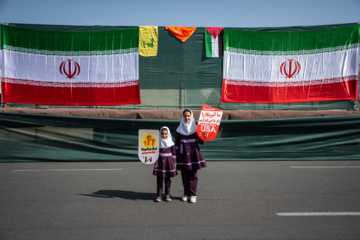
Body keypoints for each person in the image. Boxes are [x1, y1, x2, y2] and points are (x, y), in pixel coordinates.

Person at [175, 109, 206, 203]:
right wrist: (175, 157)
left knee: (193, 175)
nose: (187, 117)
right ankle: (186, 193)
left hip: (194, 155)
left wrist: (204, 135)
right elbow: (176, 145)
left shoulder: (196, 129)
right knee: (184, 175)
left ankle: (193, 194)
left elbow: (200, 141)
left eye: (188, 116)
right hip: (183, 155)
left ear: (191, 117)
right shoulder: (178, 130)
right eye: (185, 116)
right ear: (182, 117)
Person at [153, 126, 177, 202]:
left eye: (166, 134)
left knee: (167, 180)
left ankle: (167, 195)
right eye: (162, 134)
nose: (164, 136)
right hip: (160, 163)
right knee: (159, 179)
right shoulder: (157, 143)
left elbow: (174, 153)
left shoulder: (171, 144)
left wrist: (173, 161)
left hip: (168, 164)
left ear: (168, 134)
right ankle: (159, 195)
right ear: (160, 134)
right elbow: (154, 153)